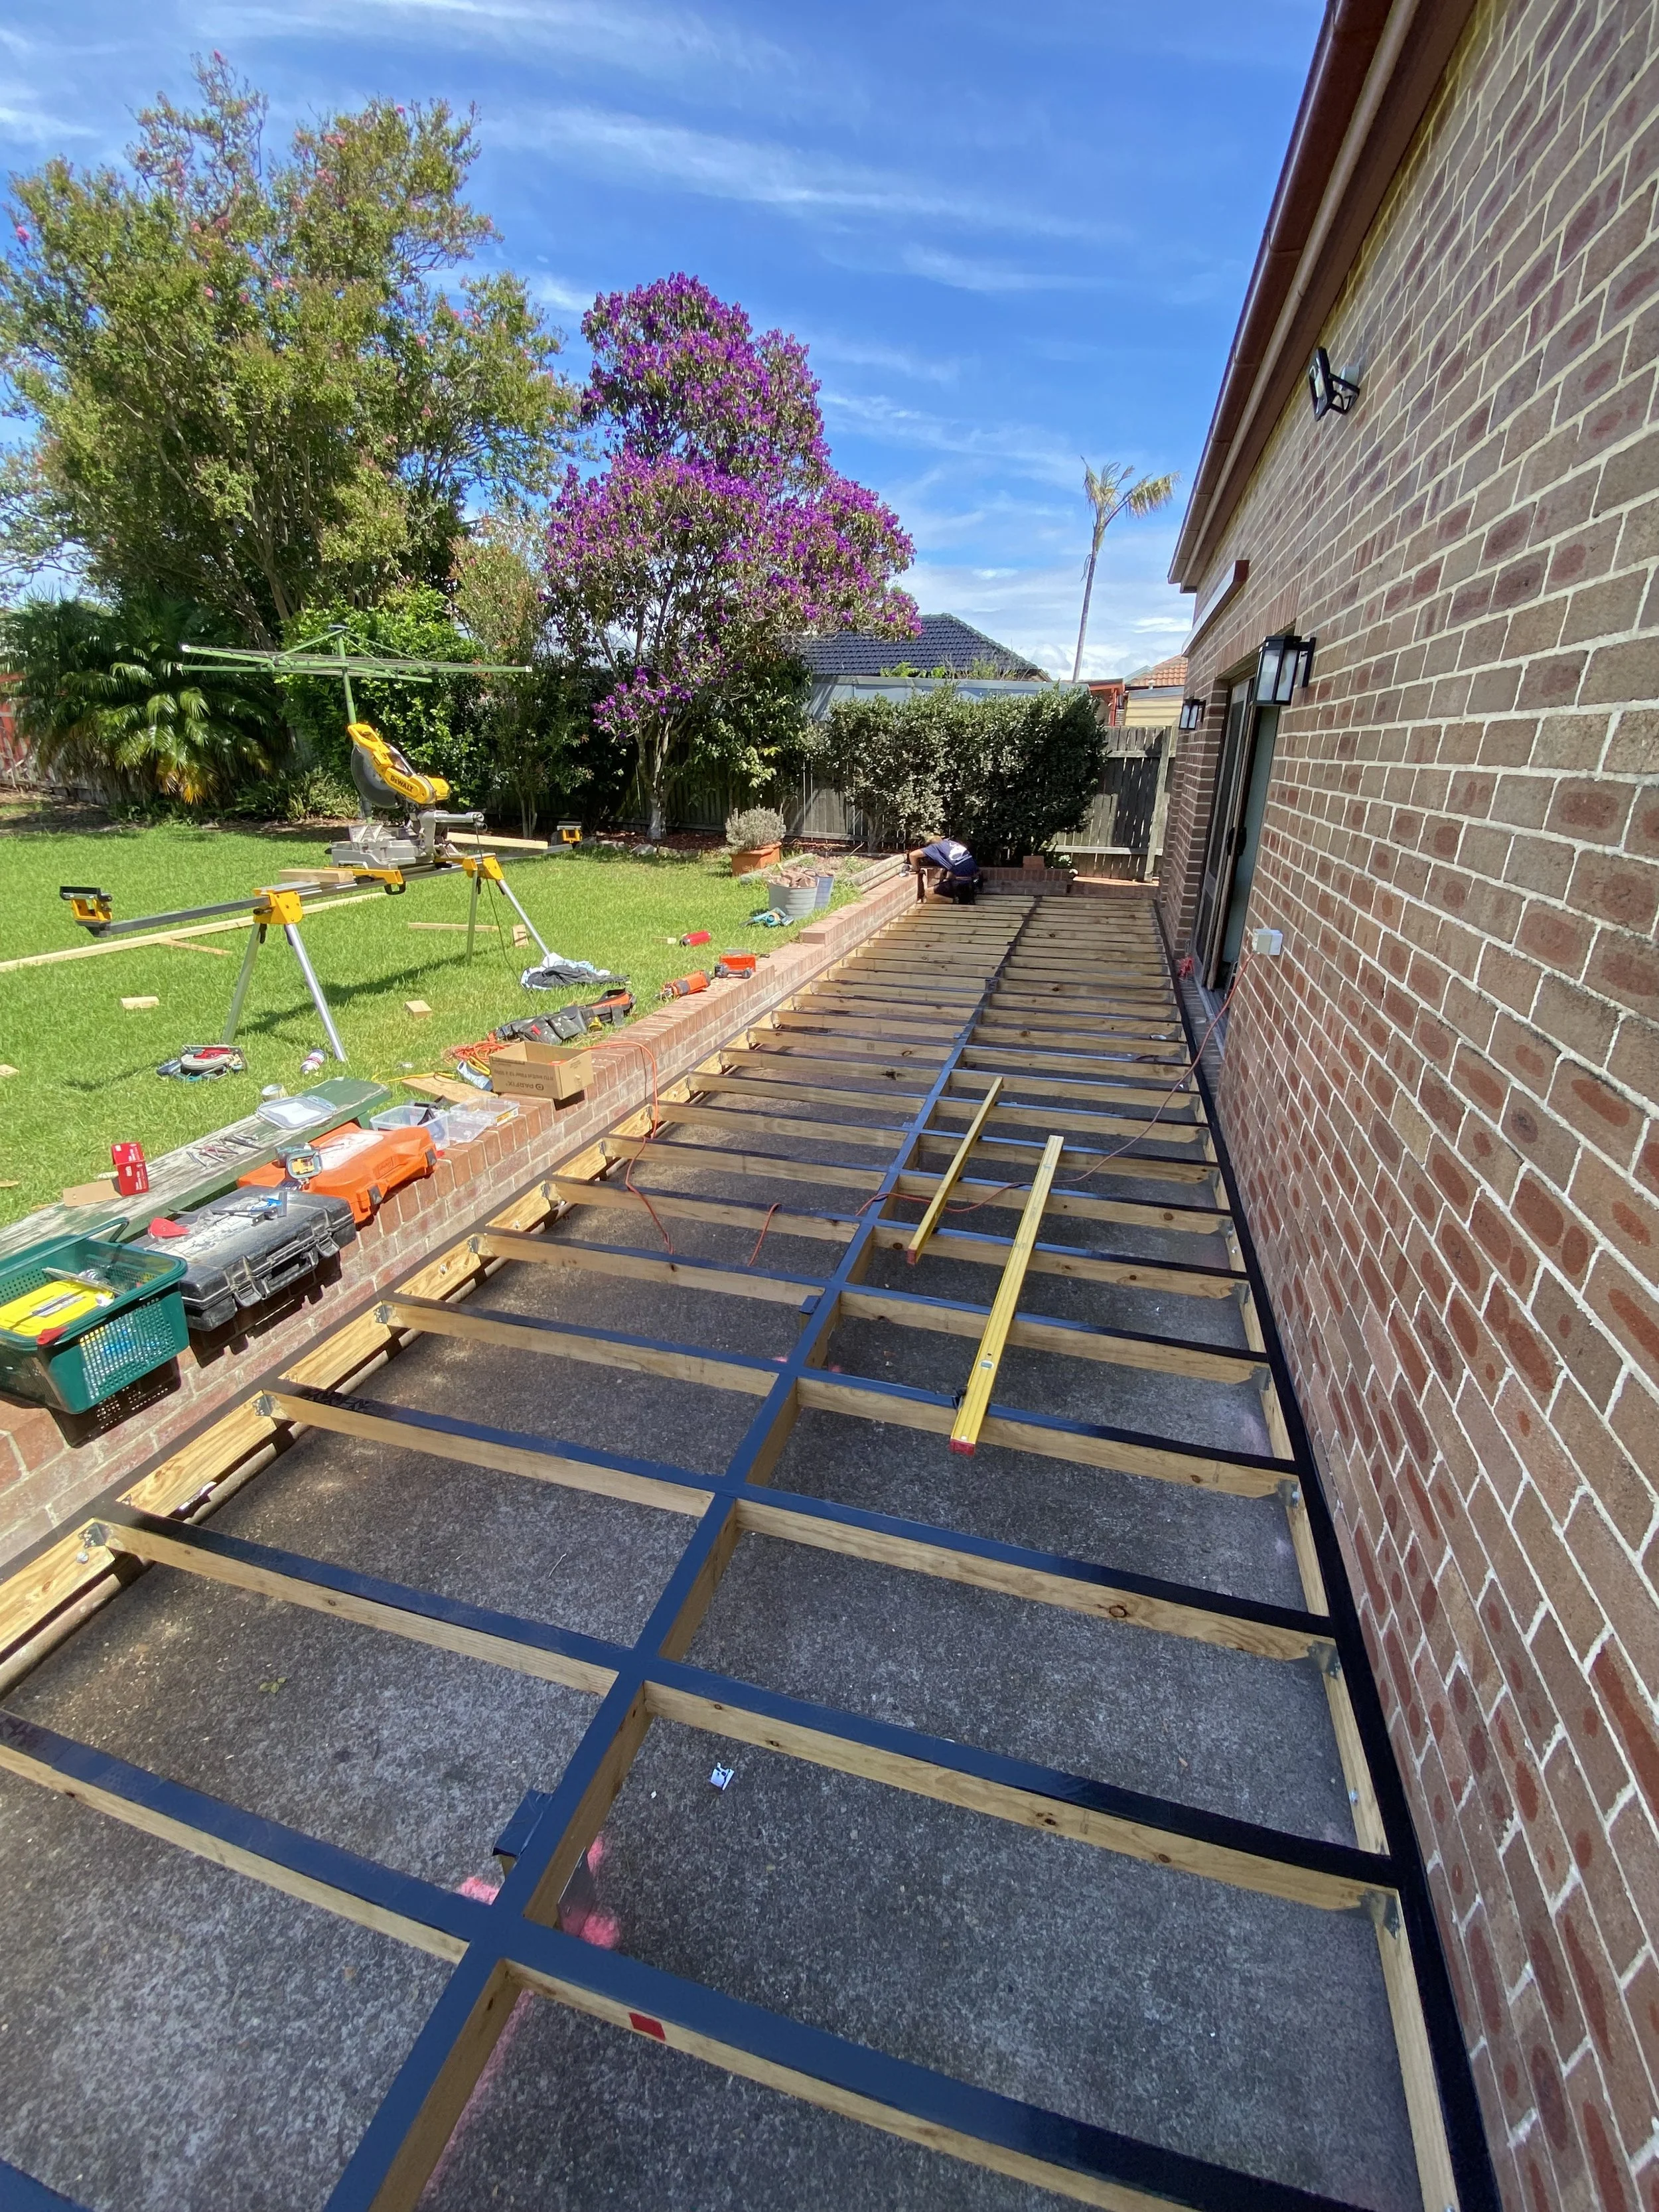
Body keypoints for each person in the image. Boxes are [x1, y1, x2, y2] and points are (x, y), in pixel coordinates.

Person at [908, 835, 980, 904]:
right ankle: (964, 897)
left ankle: (955, 901)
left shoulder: (934, 847)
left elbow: (913, 855)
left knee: (928, 893)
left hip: (961, 884)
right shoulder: (950, 844)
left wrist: (916, 869)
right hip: (975, 882)